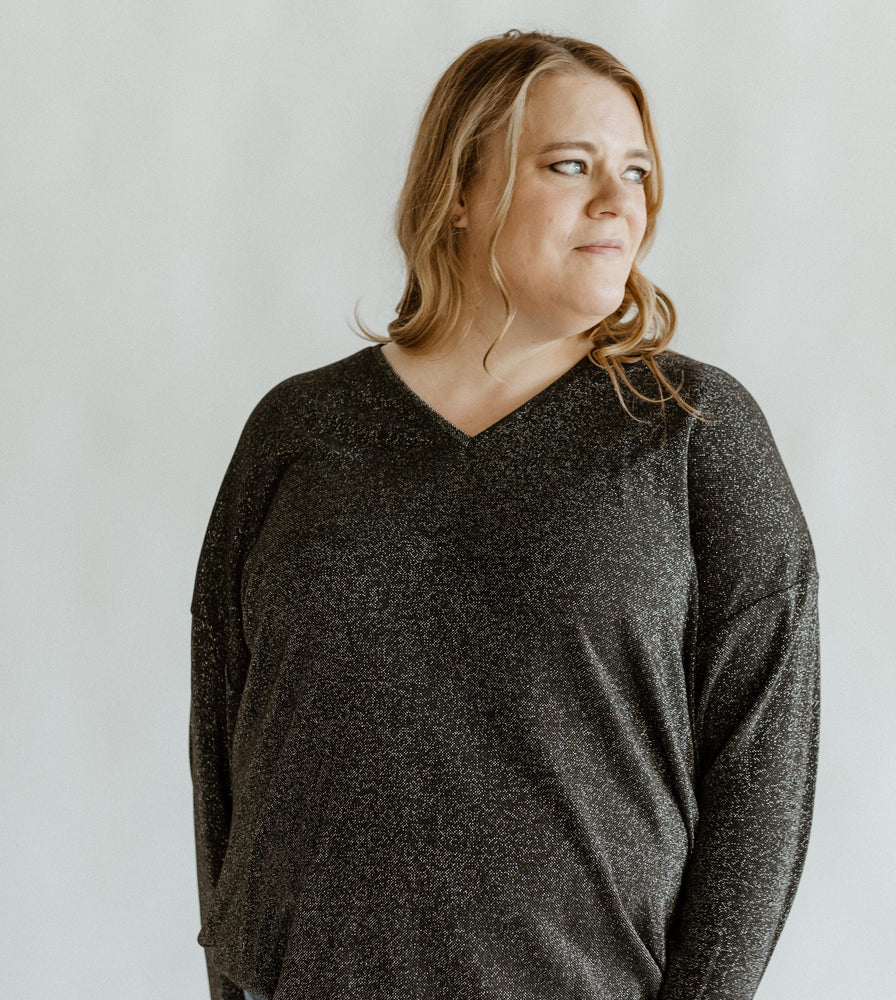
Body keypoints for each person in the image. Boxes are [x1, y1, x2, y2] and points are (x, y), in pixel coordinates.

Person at [189, 29, 820, 1000]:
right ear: (458, 192)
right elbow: (223, 733)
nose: (620, 203)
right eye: (571, 165)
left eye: (638, 171)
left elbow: (760, 773)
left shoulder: (692, 434)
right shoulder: (296, 433)